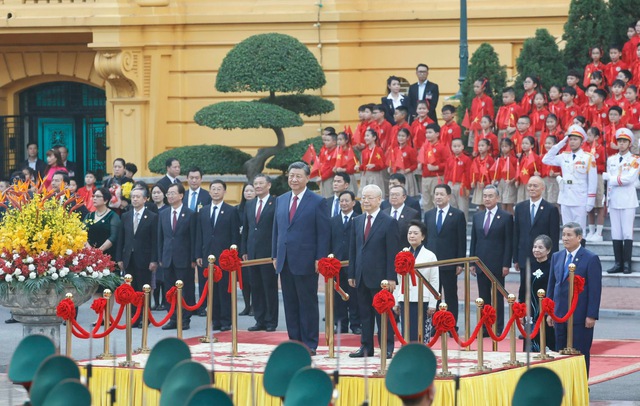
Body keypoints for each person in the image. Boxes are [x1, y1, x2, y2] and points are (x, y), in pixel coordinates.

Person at [272, 162, 330, 354]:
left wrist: (319, 258)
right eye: (291, 175)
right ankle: (294, 341)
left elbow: (323, 233)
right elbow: (276, 230)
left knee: (307, 303)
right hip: (284, 259)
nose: (294, 179)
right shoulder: (280, 200)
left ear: (307, 178)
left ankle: (310, 343)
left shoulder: (317, 201)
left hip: (306, 260)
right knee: (289, 303)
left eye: (298, 176)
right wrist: (275, 254)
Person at [348, 184, 400, 359]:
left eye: (370, 197)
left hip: (381, 278)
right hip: (361, 275)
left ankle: (387, 346)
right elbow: (354, 249)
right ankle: (366, 346)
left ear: (379, 200)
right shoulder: (357, 220)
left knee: (383, 314)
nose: (366, 200)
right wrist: (352, 273)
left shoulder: (389, 222)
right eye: (363, 197)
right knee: (365, 314)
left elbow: (392, 251)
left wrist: (391, 277)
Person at [546, 222, 602, 375]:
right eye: (563, 235)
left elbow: (595, 289)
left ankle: (582, 385)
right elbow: (552, 285)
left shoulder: (590, 258)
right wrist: (549, 312)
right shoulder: (557, 257)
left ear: (579, 237)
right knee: (560, 351)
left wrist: (591, 314)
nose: (565, 238)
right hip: (559, 314)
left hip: (580, 315)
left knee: (580, 352)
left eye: (569, 235)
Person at [195, 180, 241, 330]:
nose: (215, 192)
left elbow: (235, 235)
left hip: (224, 257)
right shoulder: (203, 211)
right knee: (210, 290)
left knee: (224, 290)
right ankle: (215, 320)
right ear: (209, 192)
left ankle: (226, 321)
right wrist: (198, 255)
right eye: (213, 189)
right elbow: (199, 235)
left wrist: (233, 255)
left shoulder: (231, 210)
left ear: (224, 192)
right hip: (207, 256)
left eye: (219, 189)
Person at [469, 185, 513, 333]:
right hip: (480, 263)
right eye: (485, 196)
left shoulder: (506, 217)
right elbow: (474, 241)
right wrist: (472, 262)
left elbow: (509, 241)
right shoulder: (477, 217)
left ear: (498, 198)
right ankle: (485, 327)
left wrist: (506, 263)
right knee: (483, 297)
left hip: (498, 264)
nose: (487, 199)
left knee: (498, 298)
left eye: (490, 196)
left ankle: (498, 327)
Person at [424, 184, 466, 328]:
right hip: (432, 263)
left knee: (450, 295)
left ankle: (451, 324)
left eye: (441, 194)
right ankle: (436, 325)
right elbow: (426, 238)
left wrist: (459, 263)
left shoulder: (458, 215)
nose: (438, 197)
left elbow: (461, 240)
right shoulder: (428, 214)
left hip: (450, 262)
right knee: (434, 295)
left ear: (448, 196)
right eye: (436, 194)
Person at [513, 176, 560, 304]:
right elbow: (516, 234)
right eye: (530, 186)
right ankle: (525, 318)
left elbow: (554, 237)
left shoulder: (551, 209)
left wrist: (553, 259)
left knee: (542, 291)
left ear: (543, 188)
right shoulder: (520, 207)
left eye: (535, 186)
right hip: (525, 258)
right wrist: (515, 258)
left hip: (544, 260)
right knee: (525, 290)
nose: (532, 188)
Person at [115, 187, 158, 326]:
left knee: (143, 289)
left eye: (138, 197)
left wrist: (154, 260)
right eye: (133, 197)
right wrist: (119, 258)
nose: (134, 199)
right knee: (131, 289)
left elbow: (155, 241)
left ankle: (145, 318)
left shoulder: (152, 217)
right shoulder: (125, 216)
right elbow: (121, 239)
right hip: (129, 258)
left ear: (145, 199)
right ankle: (134, 317)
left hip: (144, 259)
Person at [241, 174, 278, 332]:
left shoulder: (275, 203)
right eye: (255, 183)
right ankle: (259, 319)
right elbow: (246, 229)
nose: (257, 186)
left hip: (268, 253)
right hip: (252, 253)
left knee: (269, 287)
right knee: (255, 287)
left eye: (261, 183)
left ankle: (271, 321)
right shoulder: (250, 204)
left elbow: (278, 229)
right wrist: (244, 250)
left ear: (268, 185)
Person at [542, 125, 597, 231]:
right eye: (570, 139)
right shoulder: (564, 156)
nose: (572, 142)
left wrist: (590, 201)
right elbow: (546, 159)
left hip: (580, 198)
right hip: (565, 197)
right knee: (567, 230)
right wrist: (561, 143)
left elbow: (592, 181)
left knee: (579, 230)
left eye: (575, 139)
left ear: (582, 142)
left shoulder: (588, 157)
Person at [158, 183, 197, 330]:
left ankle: (185, 318)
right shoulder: (163, 214)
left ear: (181, 195)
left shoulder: (190, 214)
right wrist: (160, 256)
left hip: (184, 258)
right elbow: (160, 237)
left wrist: (193, 258)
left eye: (173, 193)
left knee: (185, 289)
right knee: (170, 289)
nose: (170, 196)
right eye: (168, 193)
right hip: (167, 258)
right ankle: (172, 317)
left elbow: (193, 237)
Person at [394, 220, 439, 342]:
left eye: (415, 233)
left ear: (423, 236)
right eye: (409, 233)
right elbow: (398, 280)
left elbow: (434, 280)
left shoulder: (430, 255)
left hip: (423, 299)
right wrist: (396, 300)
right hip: (405, 298)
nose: (412, 236)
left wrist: (432, 303)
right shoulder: (401, 254)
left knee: (421, 333)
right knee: (406, 332)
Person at [603, 128, 640, 274]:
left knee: (627, 233)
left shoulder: (635, 160)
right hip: (614, 199)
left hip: (628, 199)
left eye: (624, 141)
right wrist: (607, 197)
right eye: (619, 141)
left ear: (629, 143)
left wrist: (610, 179)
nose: (621, 144)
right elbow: (609, 185)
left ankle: (627, 264)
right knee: (616, 233)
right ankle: (618, 263)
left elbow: (630, 179)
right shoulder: (611, 159)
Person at [329, 190, 361, 335]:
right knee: (338, 296)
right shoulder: (333, 220)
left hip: (353, 263)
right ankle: (341, 324)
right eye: (341, 201)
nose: (344, 203)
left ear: (353, 203)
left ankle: (355, 324)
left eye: (347, 200)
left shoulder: (358, 219)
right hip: (336, 264)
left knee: (354, 296)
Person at [524, 234, 556, 352]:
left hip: (545, 311)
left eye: (540, 247)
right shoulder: (528, 266)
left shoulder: (552, 267)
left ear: (548, 250)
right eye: (535, 247)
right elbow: (523, 290)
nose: (536, 250)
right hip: (530, 311)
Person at [418, 123, 449, 212]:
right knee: (426, 202)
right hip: (425, 177)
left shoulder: (441, 147)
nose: (427, 134)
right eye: (426, 132)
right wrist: (420, 164)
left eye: (430, 132)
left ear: (437, 134)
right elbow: (422, 159)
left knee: (438, 201)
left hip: (436, 177)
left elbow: (447, 163)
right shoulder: (425, 147)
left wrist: (436, 167)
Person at [84, 187, 121, 260]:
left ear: (105, 200)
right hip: (89, 255)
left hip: (107, 256)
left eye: (97, 196)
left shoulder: (113, 216)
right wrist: (90, 250)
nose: (94, 198)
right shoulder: (89, 215)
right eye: (93, 196)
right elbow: (82, 233)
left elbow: (113, 237)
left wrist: (99, 251)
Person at [150, 183, 169, 310]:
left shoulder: (167, 209)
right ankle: (155, 302)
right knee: (154, 276)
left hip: (164, 244)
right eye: (154, 193)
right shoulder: (149, 209)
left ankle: (164, 302)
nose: (156, 195)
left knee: (164, 276)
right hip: (152, 244)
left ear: (164, 194)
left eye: (158, 192)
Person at [444, 138, 471, 221]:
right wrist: (445, 186)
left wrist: (467, 188)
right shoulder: (449, 160)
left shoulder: (466, 159)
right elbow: (446, 173)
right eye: (454, 146)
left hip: (461, 185)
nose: (456, 148)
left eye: (458, 146)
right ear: (451, 147)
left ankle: (463, 228)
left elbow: (468, 174)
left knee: (462, 208)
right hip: (450, 184)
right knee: (451, 207)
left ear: (462, 147)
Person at [318, 128, 338, 197]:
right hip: (323, 177)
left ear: (334, 142)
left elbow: (332, 169)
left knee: (329, 197)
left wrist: (322, 177)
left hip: (329, 178)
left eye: (328, 140)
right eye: (325, 140)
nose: (325, 142)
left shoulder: (336, 152)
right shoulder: (326, 150)